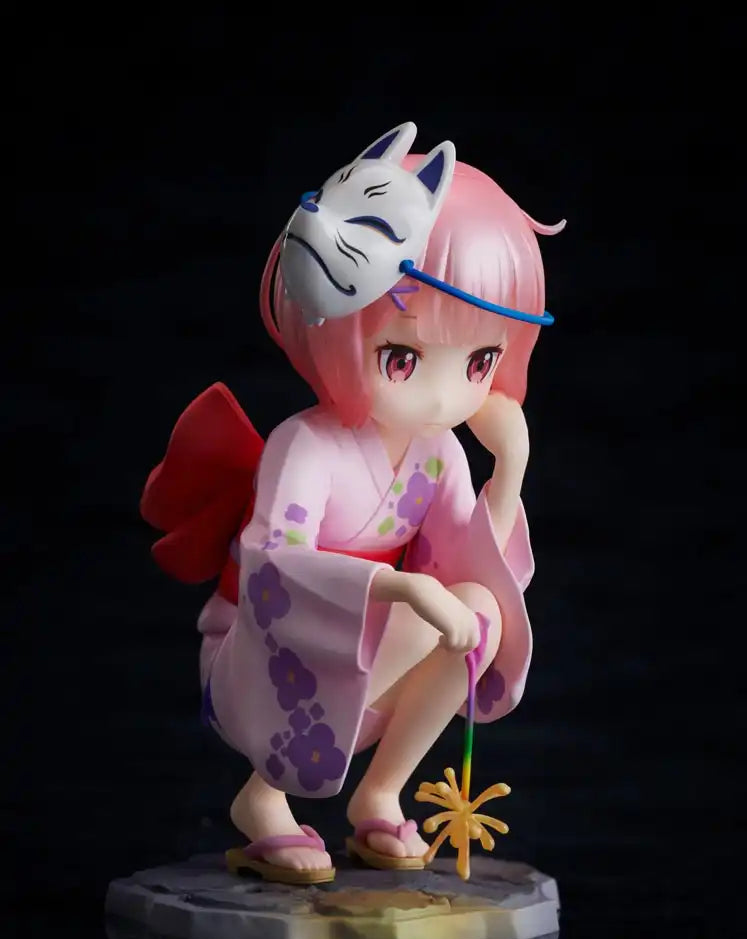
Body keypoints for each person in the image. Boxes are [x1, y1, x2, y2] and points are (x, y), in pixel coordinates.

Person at [141, 123, 564, 884]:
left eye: (479, 361)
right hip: (264, 655)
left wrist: (509, 468)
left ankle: (379, 791)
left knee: (479, 612)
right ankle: (261, 794)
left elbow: (473, 568)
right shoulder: (304, 445)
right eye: (402, 357)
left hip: (370, 651)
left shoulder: (437, 450)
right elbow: (272, 566)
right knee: (435, 606)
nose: (443, 394)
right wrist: (401, 587)